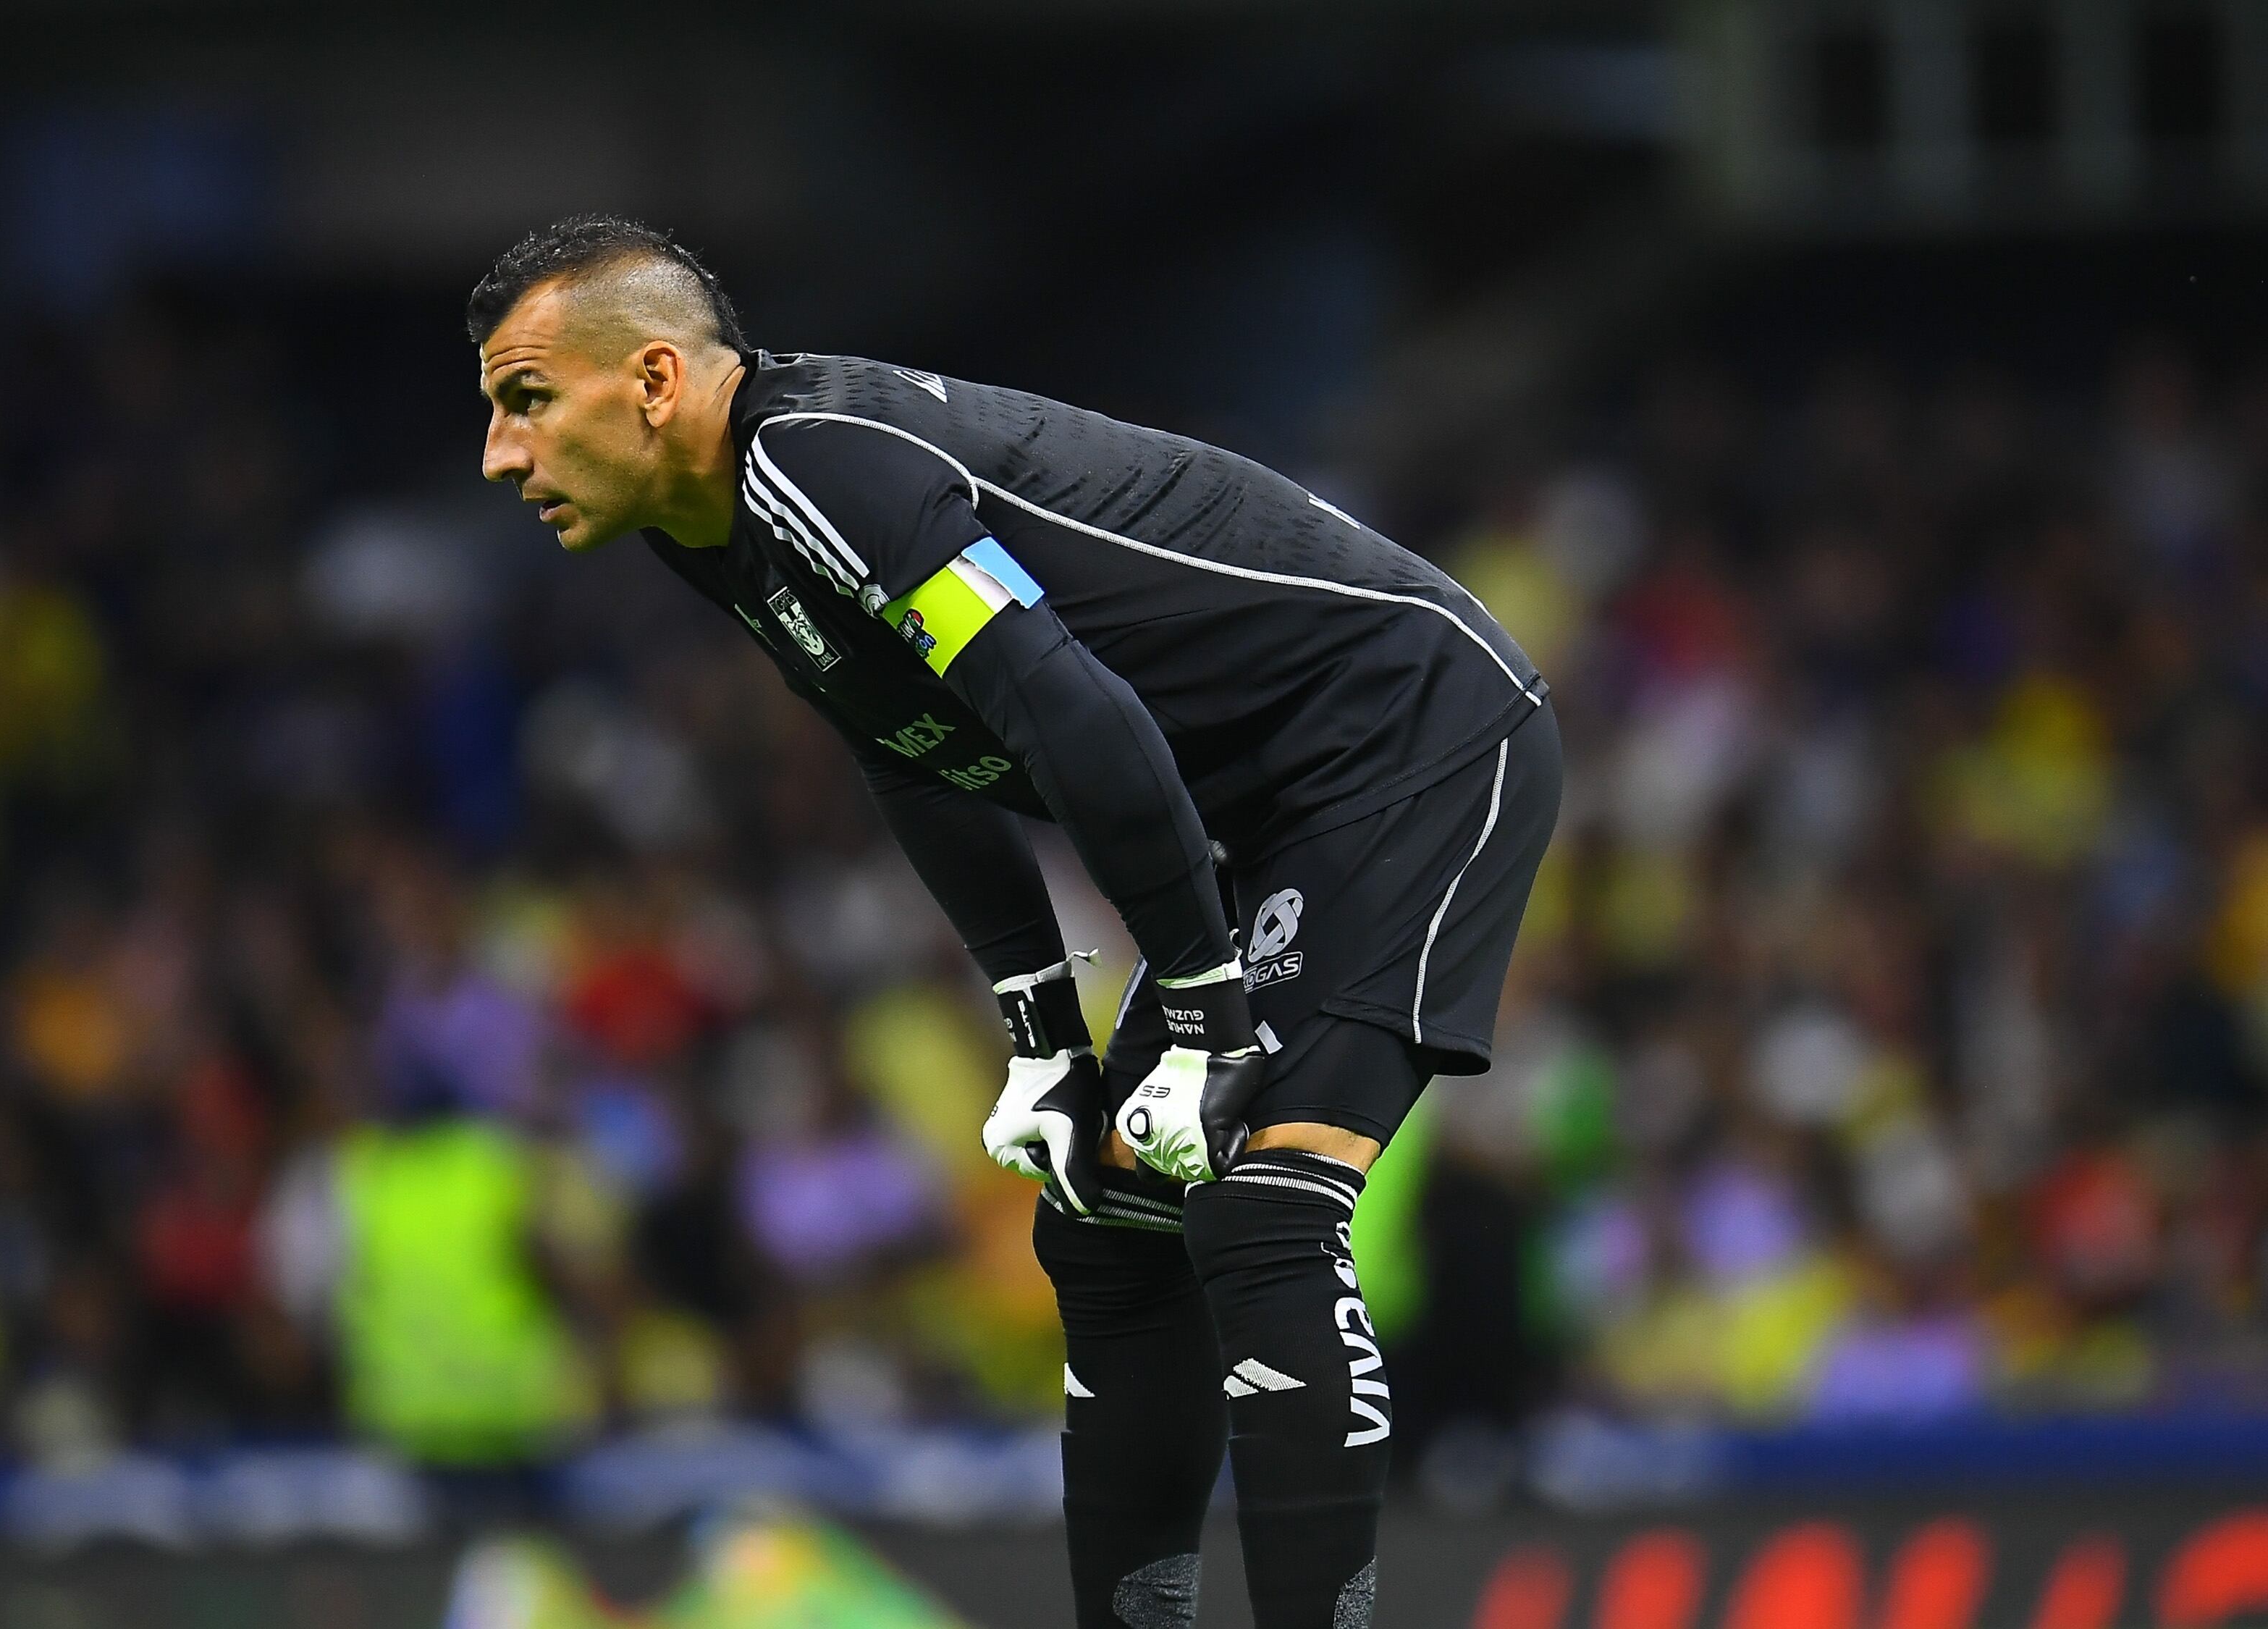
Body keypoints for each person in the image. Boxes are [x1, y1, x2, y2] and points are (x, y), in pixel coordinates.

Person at [470, 215, 1561, 1629]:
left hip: (1411, 738)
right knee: (1104, 1220)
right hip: (1259, 806)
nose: (500, 456)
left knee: (1260, 1210)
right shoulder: (713, 523)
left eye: (526, 402)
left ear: (659, 379)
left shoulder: (817, 464)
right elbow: (906, 745)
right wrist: (1041, 1028)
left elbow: (1072, 715)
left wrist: (1206, 1013)